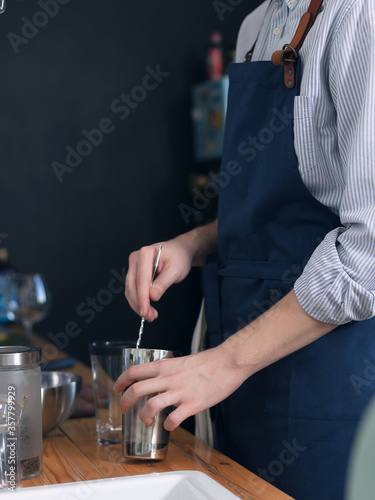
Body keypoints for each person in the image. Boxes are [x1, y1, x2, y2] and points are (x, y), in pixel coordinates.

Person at [113, 1, 375, 498]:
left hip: (330, 385)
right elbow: (274, 207)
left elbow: (370, 253)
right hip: (244, 380)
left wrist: (225, 362)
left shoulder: (360, 16)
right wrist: (194, 243)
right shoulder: (255, 25)